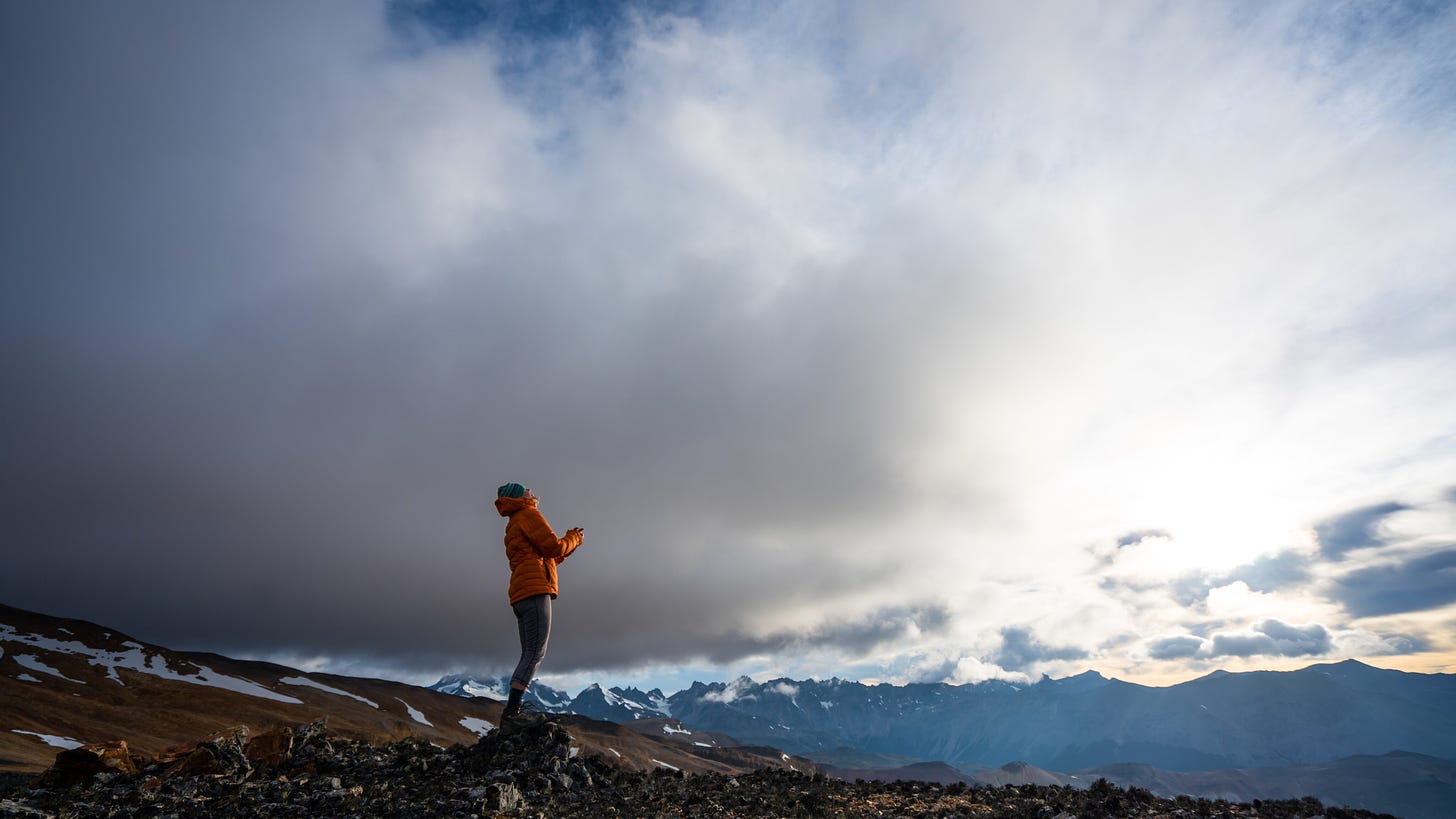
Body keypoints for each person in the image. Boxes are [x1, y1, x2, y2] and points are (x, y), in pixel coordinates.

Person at [494, 482, 583, 732]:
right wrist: (574, 539)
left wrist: (567, 548)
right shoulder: (529, 514)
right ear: (519, 497)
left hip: (521, 593)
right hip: (535, 592)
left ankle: (513, 710)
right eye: (526, 489)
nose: (531, 491)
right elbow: (553, 546)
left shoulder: (513, 523)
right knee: (535, 653)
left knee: (528, 653)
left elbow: (544, 556)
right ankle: (512, 714)